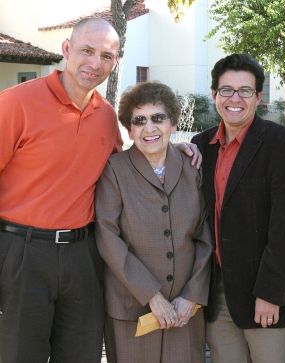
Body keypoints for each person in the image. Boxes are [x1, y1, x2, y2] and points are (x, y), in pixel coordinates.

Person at [0, 18, 200, 363]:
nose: (95, 63)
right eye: (87, 51)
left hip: (83, 255)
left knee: (82, 354)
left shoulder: (106, 116)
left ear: (115, 61)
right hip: (23, 252)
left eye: (106, 56)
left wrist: (173, 149)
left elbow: (128, 168)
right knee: (20, 354)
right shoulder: (16, 103)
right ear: (66, 49)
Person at [191, 53, 285, 363]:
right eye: (227, 89)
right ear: (214, 94)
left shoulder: (283, 144)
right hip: (216, 293)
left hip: (264, 293)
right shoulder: (200, 145)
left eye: (245, 91)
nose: (235, 98)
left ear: (259, 97)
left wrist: (270, 293)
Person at [94, 81, 212, 363]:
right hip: (131, 310)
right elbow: (108, 237)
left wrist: (192, 296)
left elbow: (206, 237)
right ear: (129, 128)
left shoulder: (192, 168)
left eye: (158, 118)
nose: (150, 128)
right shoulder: (114, 170)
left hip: (185, 310)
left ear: (172, 123)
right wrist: (152, 296)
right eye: (139, 120)